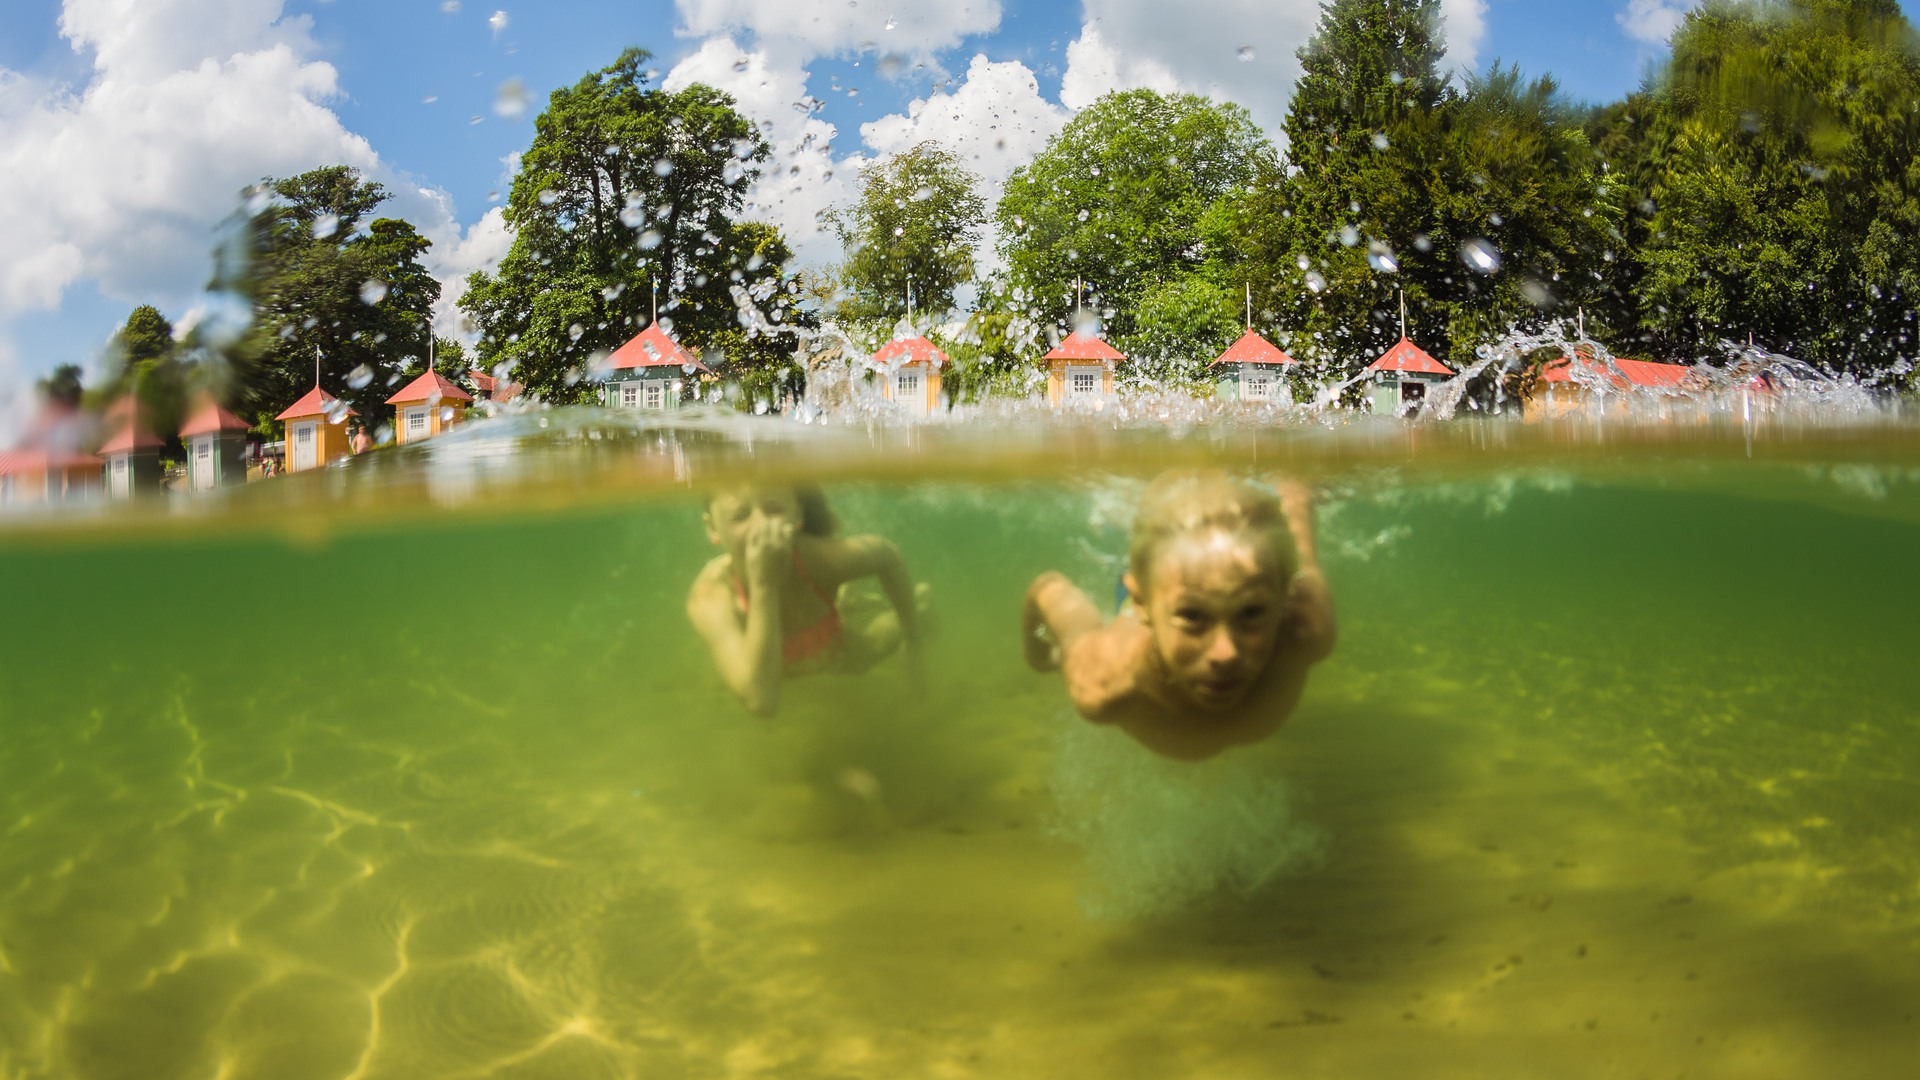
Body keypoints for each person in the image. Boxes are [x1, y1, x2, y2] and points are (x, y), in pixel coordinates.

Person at [1022, 471, 1336, 761]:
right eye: (1193, 617)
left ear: (1284, 597)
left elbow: (1297, 506)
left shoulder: (1307, 625)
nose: (1225, 654)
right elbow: (1046, 589)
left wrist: (1296, 487)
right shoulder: (1103, 682)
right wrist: (1038, 655)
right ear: (1141, 604)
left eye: (1251, 613)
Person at [688, 485, 928, 716]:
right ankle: (846, 598)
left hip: (830, 648)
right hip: (771, 670)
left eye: (774, 509)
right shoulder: (710, 598)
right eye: (740, 515)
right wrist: (765, 584)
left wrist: (913, 641)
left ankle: (922, 603)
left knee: (863, 660)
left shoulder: (817, 560)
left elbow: (886, 555)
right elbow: (761, 702)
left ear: (797, 514)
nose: (761, 525)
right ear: (713, 529)